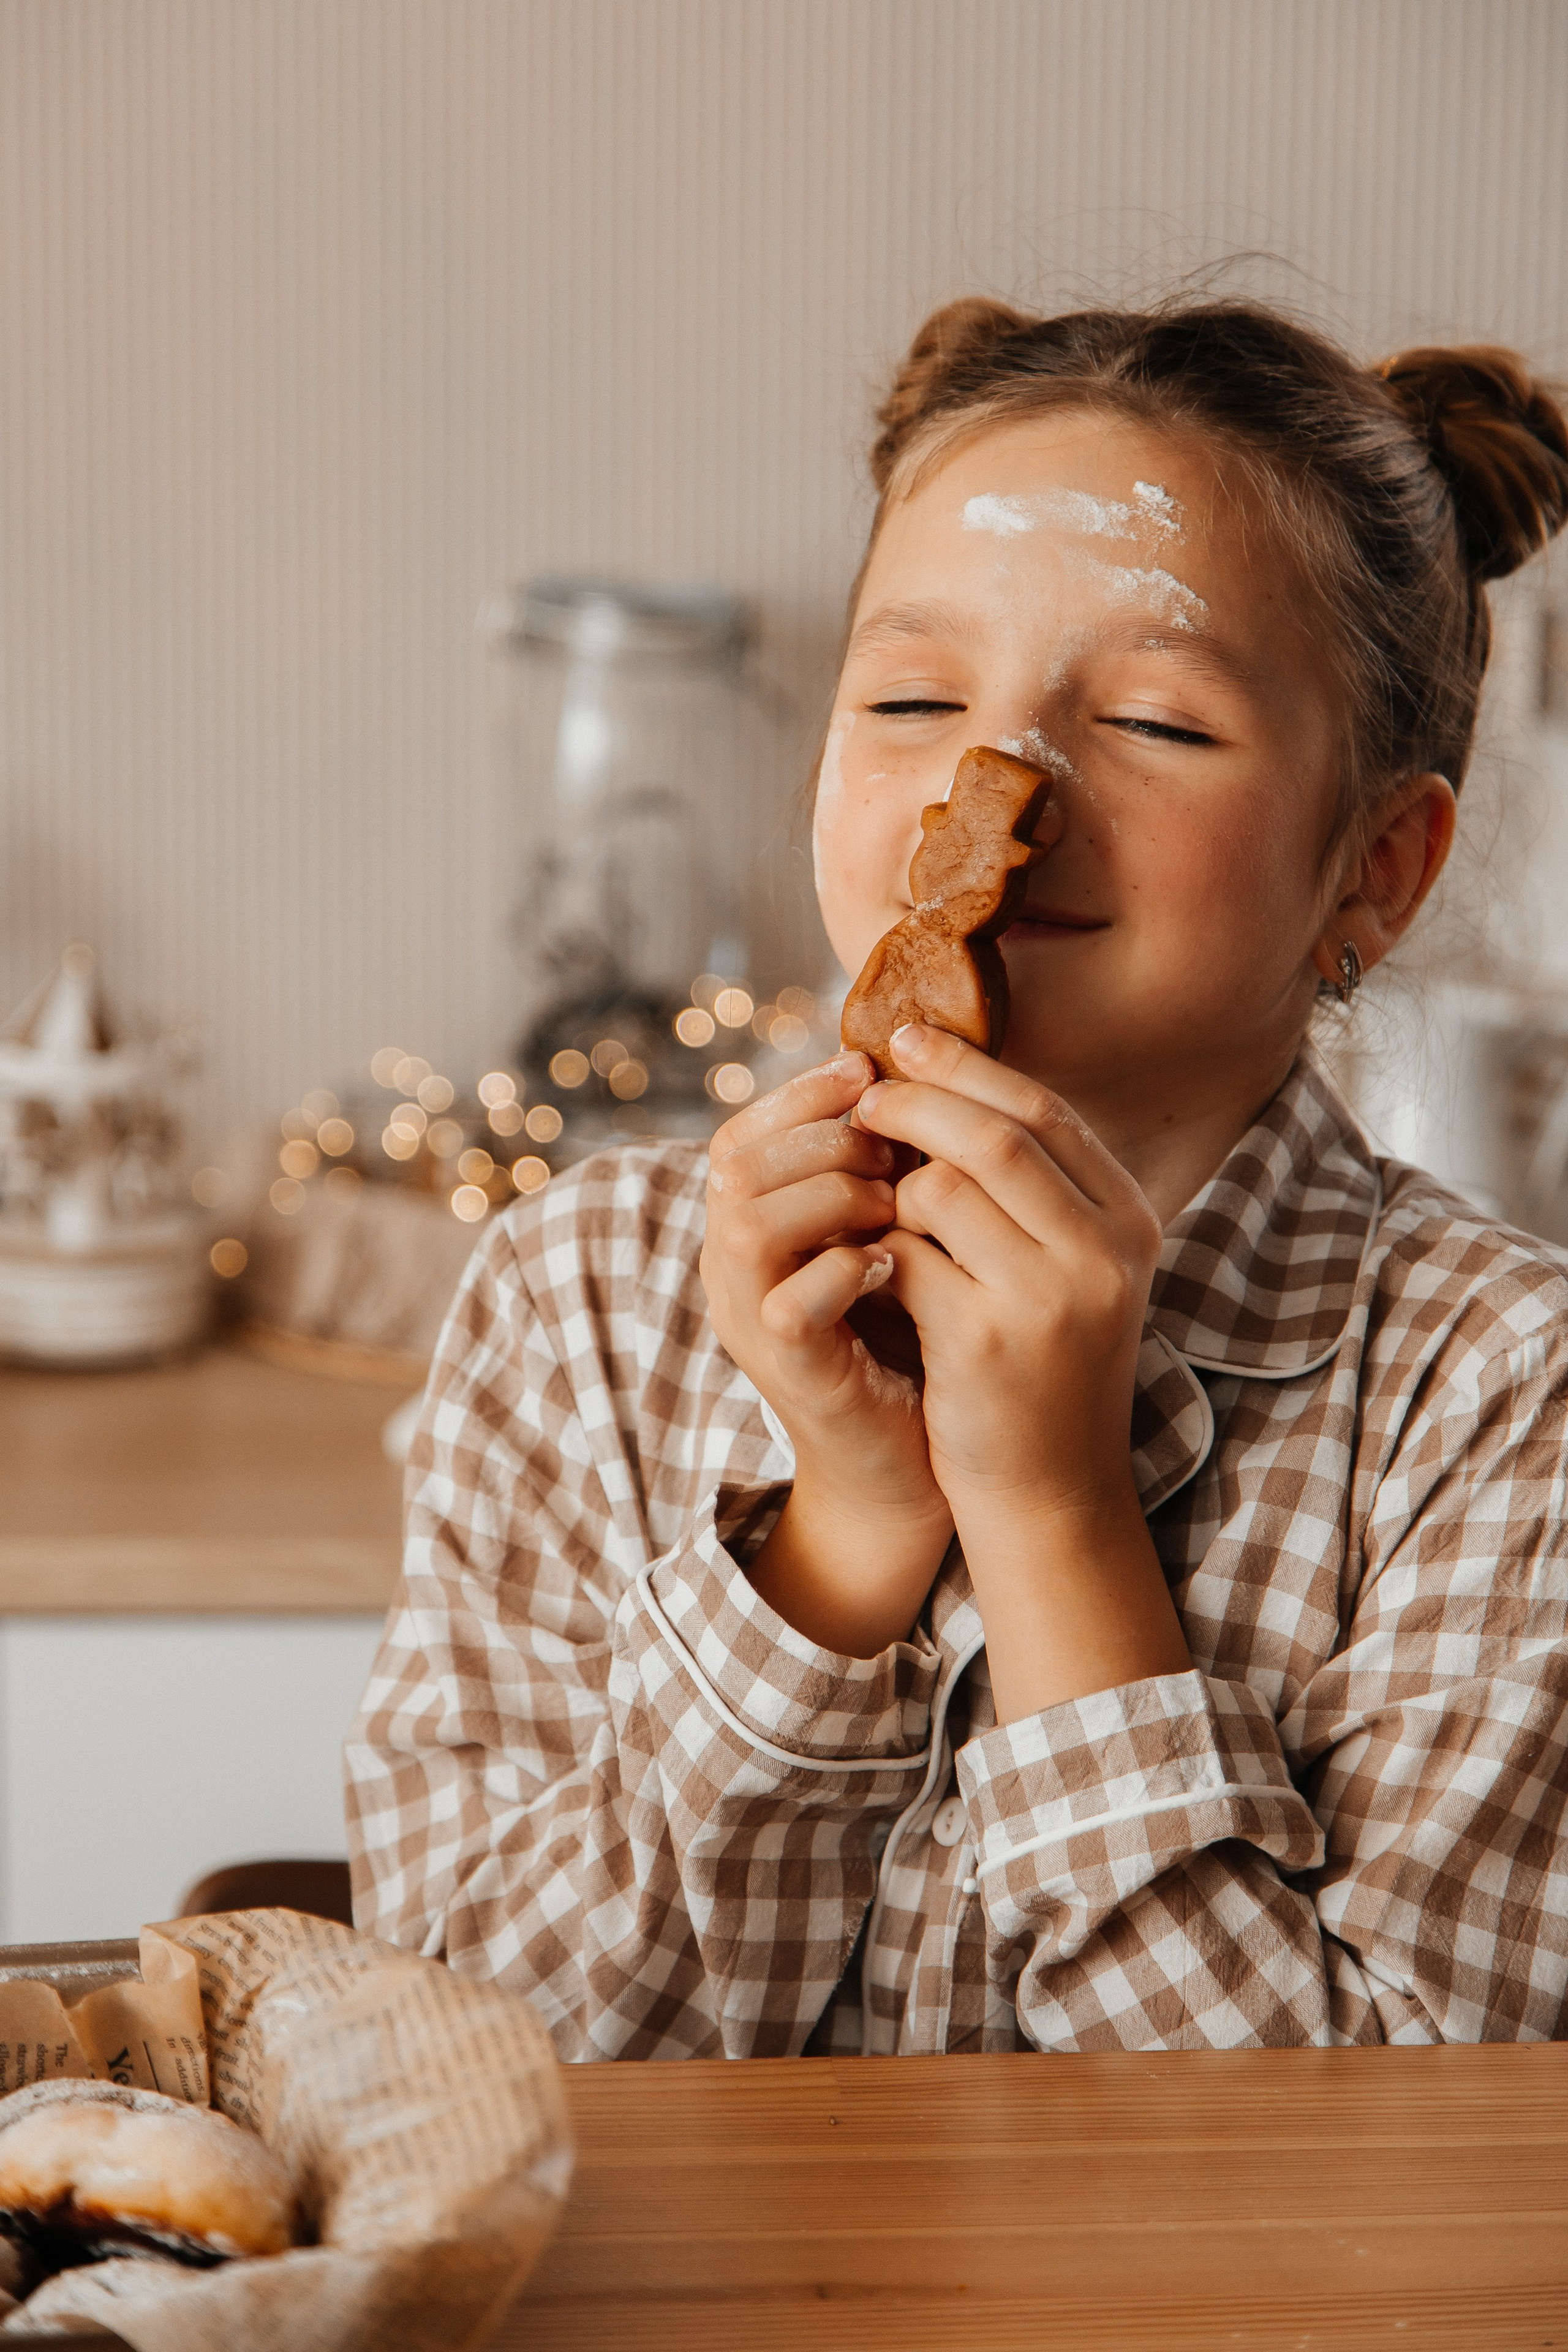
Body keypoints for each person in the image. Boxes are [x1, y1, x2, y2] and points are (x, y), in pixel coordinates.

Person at [345, 297, 1568, 2056]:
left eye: (1156, 720)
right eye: (913, 695)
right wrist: (839, 1539)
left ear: (1375, 865)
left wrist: (1058, 1515)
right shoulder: (584, 1294)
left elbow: (1377, 2206)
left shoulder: (1500, 1391)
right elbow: (470, 2079)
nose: (997, 783)